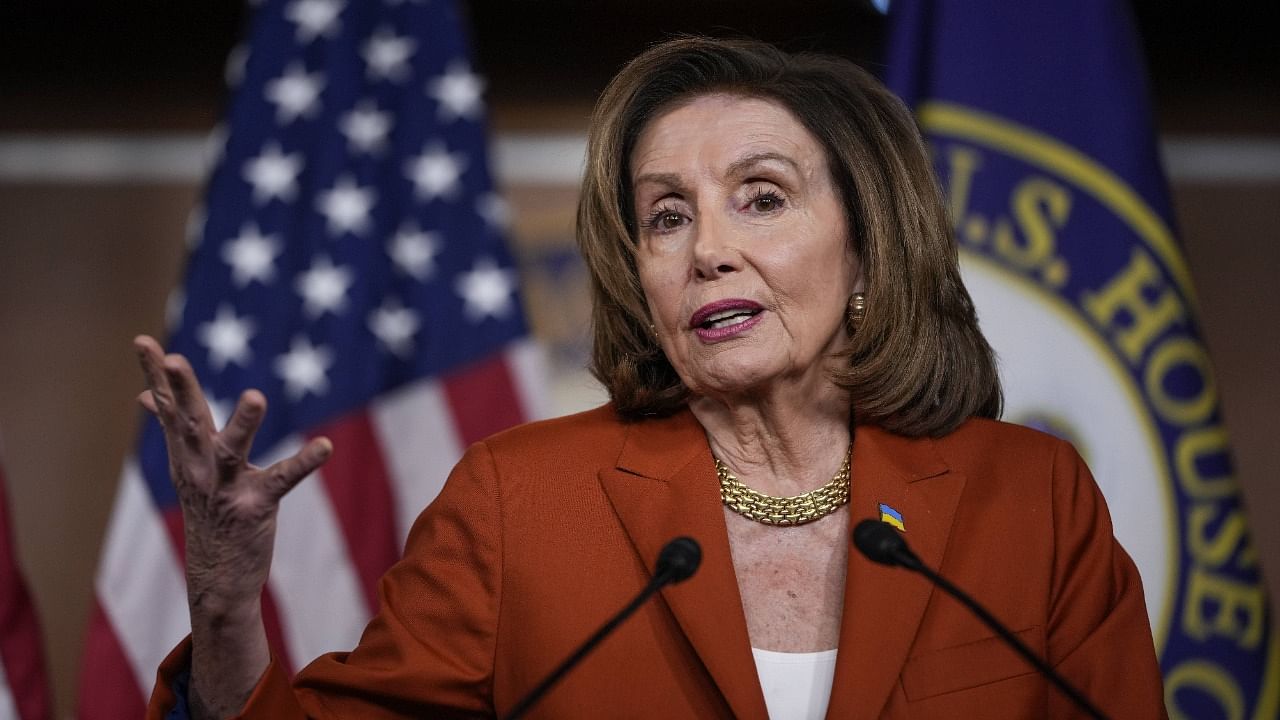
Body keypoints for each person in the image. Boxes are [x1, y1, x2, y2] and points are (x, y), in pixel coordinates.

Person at [142, 36, 1166, 719]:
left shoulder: (1028, 500)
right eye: (665, 217)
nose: (705, 250)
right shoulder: (521, 502)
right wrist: (226, 604)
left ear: (864, 250)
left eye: (759, 198)